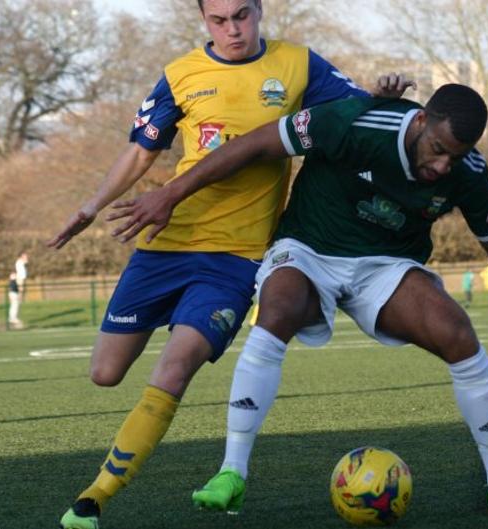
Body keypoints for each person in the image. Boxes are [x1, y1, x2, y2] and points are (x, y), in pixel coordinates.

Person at [113, 84, 488, 514]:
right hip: (309, 250)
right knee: (279, 306)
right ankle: (231, 472)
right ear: (421, 120)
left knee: (458, 334)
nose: (444, 166)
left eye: (456, 157)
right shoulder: (355, 123)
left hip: (386, 265)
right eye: (438, 150)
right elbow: (253, 145)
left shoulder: (467, 172)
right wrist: (171, 193)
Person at [46, 1, 403, 526]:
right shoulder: (181, 74)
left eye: (242, 15)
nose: (232, 29)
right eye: (219, 20)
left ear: (259, 11)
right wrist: (90, 205)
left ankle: (94, 498)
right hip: (166, 241)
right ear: (204, 21)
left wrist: (383, 94)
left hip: (235, 259)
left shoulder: (300, 66)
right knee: (105, 372)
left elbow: (357, 110)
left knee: (176, 364)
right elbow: (141, 151)